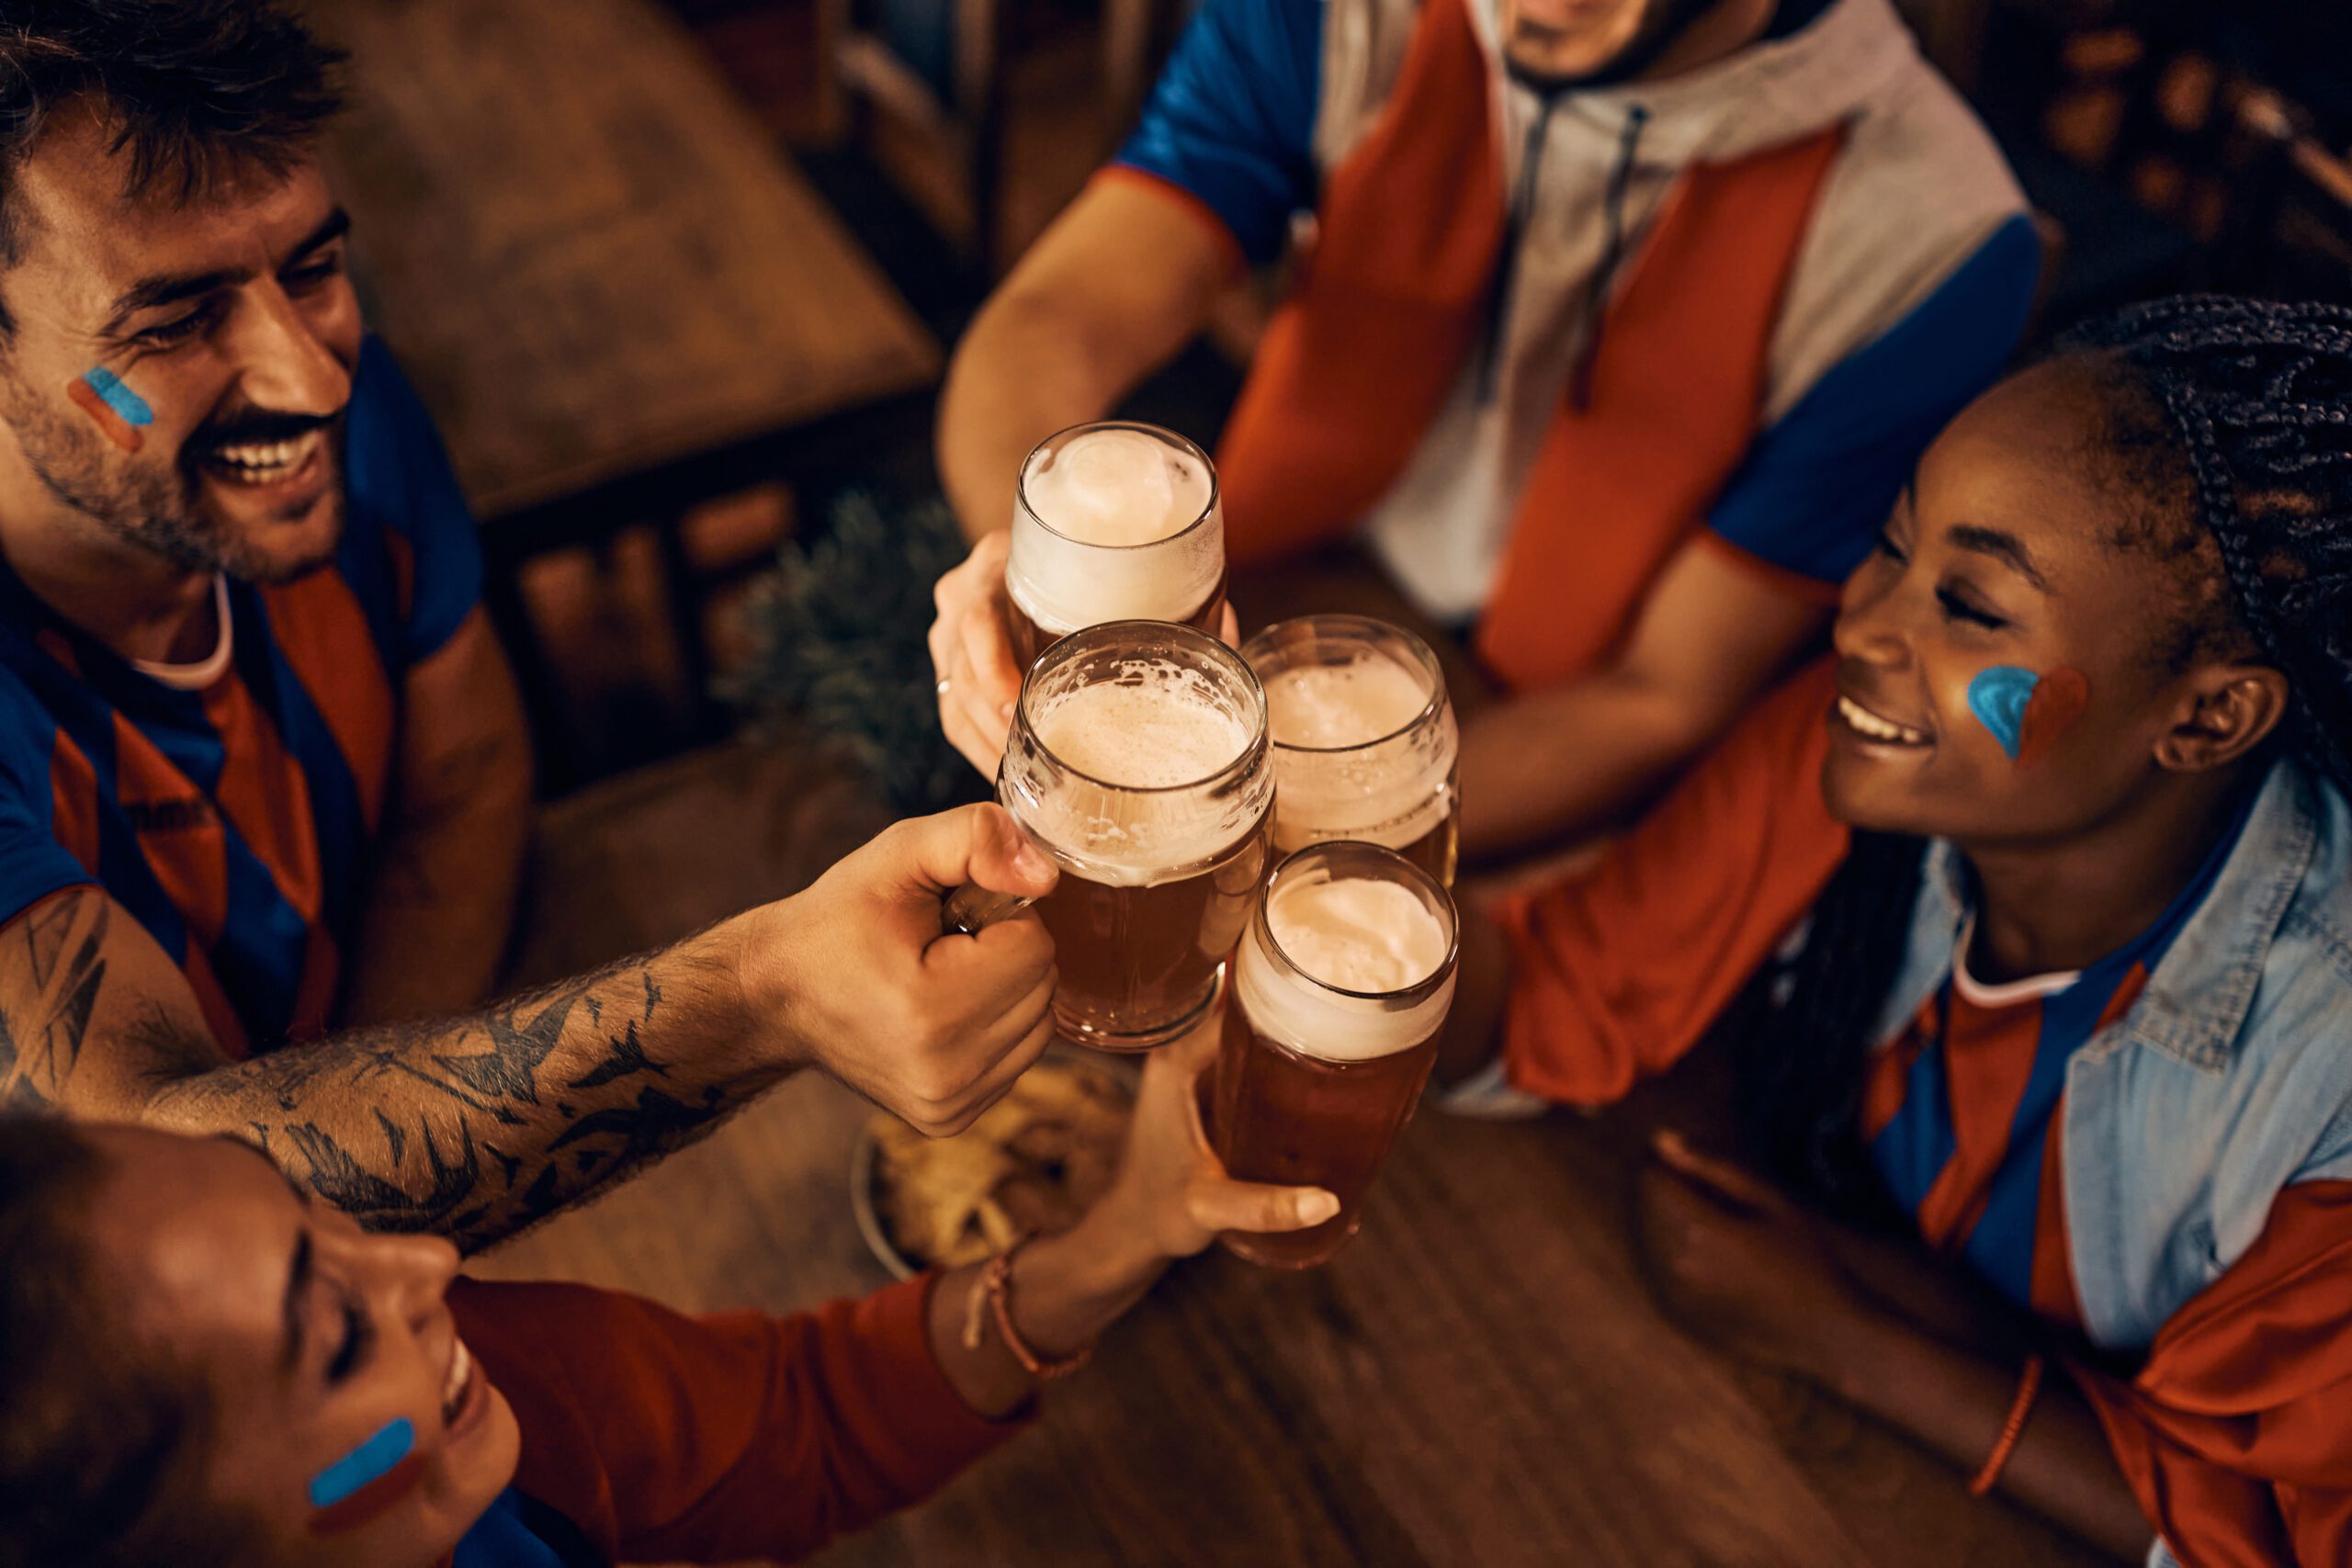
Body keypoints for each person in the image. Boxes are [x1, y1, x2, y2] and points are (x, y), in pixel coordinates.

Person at [0, 1, 1058, 1249]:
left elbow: (469, 771)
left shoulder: (347, 425)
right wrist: (763, 995)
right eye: (174, 323)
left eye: (315, 267)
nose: (312, 376)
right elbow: (172, 1183)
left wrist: (368, 1104)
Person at [1448, 296, 2352, 1563]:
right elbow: (1559, 989)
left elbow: (2275, 1527)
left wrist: (1834, 1333)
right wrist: (1306, 864)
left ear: (2209, 720)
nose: (1863, 624)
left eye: (1972, 608)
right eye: (1893, 544)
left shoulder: (2327, 1082)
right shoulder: (1875, 747)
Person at [929, 0, 2041, 866]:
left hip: (1541, 742)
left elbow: (1664, 696)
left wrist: (1264, 831)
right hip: (1275, 592)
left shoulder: (1929, 244)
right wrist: (1028, 567)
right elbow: (1049, 324)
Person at [0, 1021, 1339, 1567]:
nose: (427, 1263)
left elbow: (804, 1416)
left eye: (300, 1200)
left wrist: (1125, 1234)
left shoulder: (495, 1405)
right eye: (338, 1330)